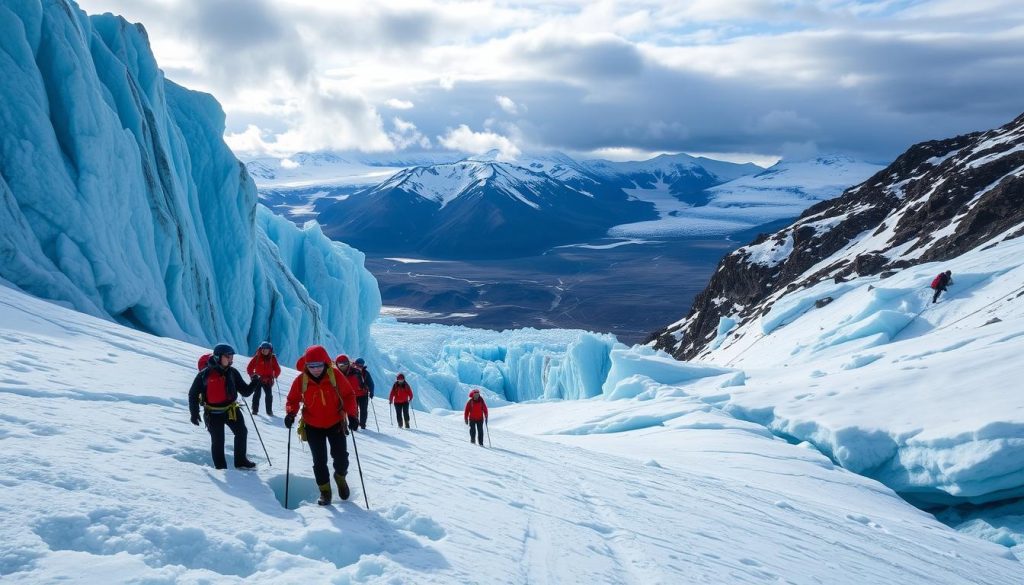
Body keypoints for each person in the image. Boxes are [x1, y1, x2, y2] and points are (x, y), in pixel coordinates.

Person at [285, 345, 358, 506]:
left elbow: (348, 395)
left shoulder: (335, 376)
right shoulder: (302, 380)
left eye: (319, 365)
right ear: (306, 366)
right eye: (311, 366)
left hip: (335, 423)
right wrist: (290, 413)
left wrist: (352, 415)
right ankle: (325, 492)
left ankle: (340, 477)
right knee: (319, 461)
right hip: (312, 426)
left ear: (325, 363)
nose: (315, 369)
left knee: (341, 458)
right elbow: (292, 399)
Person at [188, 343, 256, 470]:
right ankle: (221, 468)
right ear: (219, 357)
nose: (231, 359)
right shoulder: (204, 374)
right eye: (228, 356)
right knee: (218, 441)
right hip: (213, 413)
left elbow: (245, 391)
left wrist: (254, 383)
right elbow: (193, 394)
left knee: (241, 432)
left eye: (231, 356)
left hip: (231, 410)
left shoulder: (232, 372)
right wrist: (194, 413)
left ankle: (240, 461)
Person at [246, 341, 281, 416]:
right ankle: (255, 410)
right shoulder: (257, 357)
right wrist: (253, 376)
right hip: (258, 379)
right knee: (257, 394)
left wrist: (275, 375)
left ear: (269, 350)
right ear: (261, 349)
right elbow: (249, 368)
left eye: (266, 349)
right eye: (263, 349)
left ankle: (269, 411)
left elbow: (277, 369)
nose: (265, 351)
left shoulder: (272, 358)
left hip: (268, 380)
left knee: (268, 395)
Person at [336, 354, 367, 431]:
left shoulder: (356, 372)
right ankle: (346, 426)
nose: (343, 366)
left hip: (357, 395)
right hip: (340, 397)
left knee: (359, 410)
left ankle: (359, 424)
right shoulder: (334, 374)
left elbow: (362, 383)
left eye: (345, 364)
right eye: (341, 364)